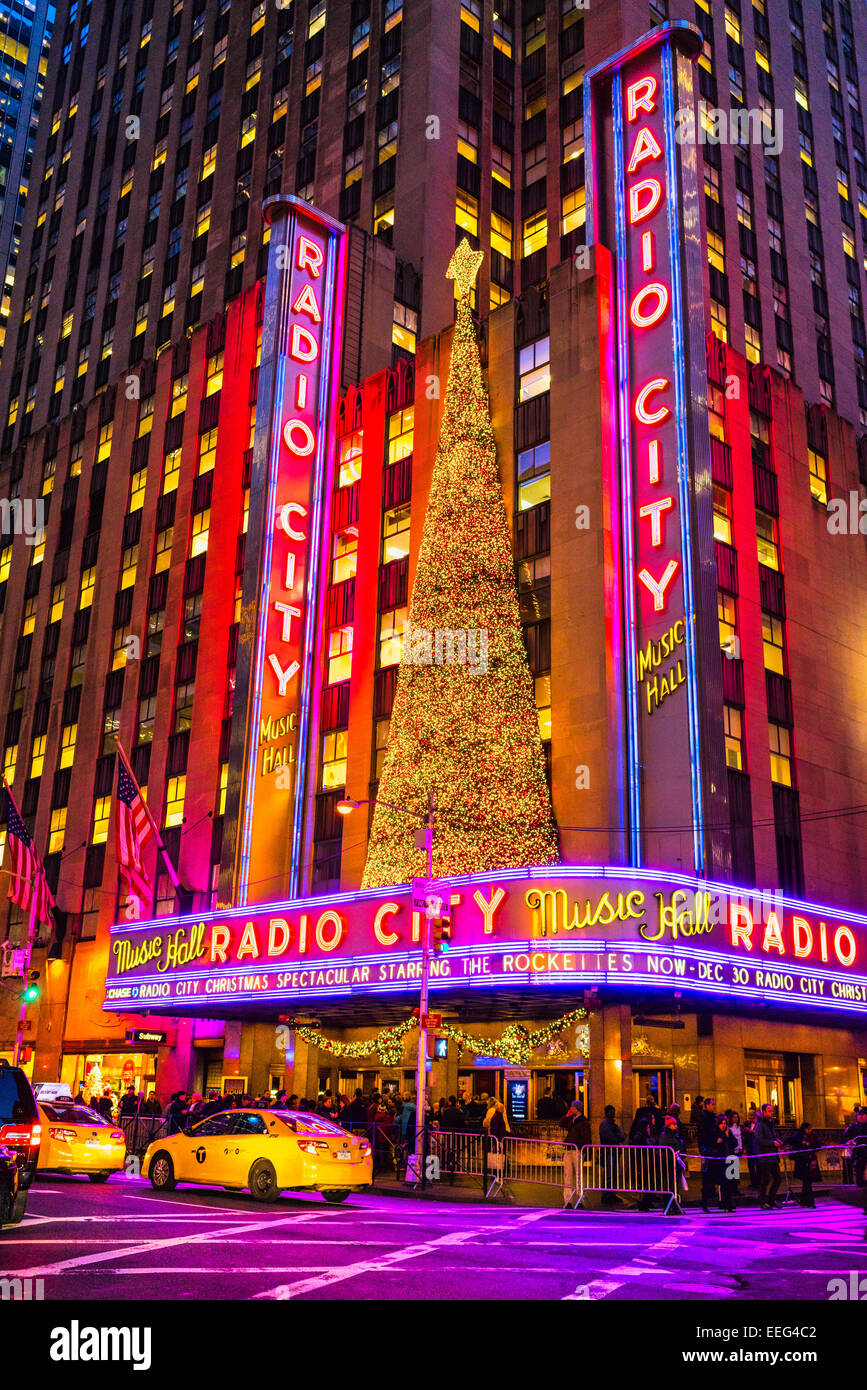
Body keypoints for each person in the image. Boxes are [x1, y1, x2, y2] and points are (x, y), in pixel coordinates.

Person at [703, 1114, 738, 1213]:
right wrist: (716, 1142)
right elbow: (710, 1144)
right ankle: (705, 1204)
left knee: (727, 1184)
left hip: (727, 1161)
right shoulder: (715, 1133)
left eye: (725, 1123)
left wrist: (727, 1136)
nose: (723, 1125)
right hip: (717, 1162)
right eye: (722, 1124)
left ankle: (728, 1203)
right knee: (710, 1184)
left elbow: (734, 1143)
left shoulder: (728, 1133)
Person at [754, 1102, 784, 1209]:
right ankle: (763, 1201)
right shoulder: (760, 1124)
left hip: (773, 1155)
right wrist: (772, 1143)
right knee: (765, 1180)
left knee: (777, 1178)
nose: (771, 1113)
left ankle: (771, 1199)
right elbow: (759, 1139)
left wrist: (777, 1140)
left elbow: (772, 1136)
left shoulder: (770, 1123)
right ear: (764, 1112)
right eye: (769, 1111)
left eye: (772, 1111)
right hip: (764, 1156)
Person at [561, 1103, 590, 1207]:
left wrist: (583, 1149)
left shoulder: (583, 1121)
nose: (571, 1108)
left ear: (577, 1109)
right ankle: (568, 1200)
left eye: (573, 1106)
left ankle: (580, 1199)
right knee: (567, 1174)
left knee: (579, 1175)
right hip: (569, 1149)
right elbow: (561, 1123)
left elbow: (586, 1138)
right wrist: (567, 1115)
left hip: (577, 1149)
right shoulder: (571, 1119)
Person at [599, 1104, 625, 1206]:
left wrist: (619, 1137)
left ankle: (611, 1194)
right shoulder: (605, 1124)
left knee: (613, 1174)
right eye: (612, 1112)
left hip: (612, 1151)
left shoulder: (612, 1124)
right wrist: (618, 1138)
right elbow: (611, 1137)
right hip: (608, 1151)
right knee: (609, 1174)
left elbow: (621, 1136)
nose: (613, 1114)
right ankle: (606, 1195)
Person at [792, 1121, 821, 1209]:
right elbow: (794, 1145)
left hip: (811, 1162)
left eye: (810, 1128)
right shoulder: (799, 1136)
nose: (810, 1130)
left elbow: (818, 1145)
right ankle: (809, 1202)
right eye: (808, 1129)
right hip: (802, 1162)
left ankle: (804, 1201)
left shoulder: (813, 1136)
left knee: (807, 1182)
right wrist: (803, 1145)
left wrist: (810, 1145)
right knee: (807, 1182)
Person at [698, 1096, 719, 1212]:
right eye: (711, 1104)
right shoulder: (705, 1118)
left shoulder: (711, 1117)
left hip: (712, 1149)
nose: (713, 1106)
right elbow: (704, 1134)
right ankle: (705, 1201)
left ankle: (711, 1196)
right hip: (708, 1149)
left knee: (712, 1175)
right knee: (706, 1176)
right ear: (706, 1105)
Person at [842, 1106, 867, 1190]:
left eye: (863, 1115)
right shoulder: (852, 1127)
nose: (860, 1116)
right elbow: (844, 1138)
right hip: (859, 1154)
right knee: (859, 1173)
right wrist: (848, 1141)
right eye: (859, 1115)